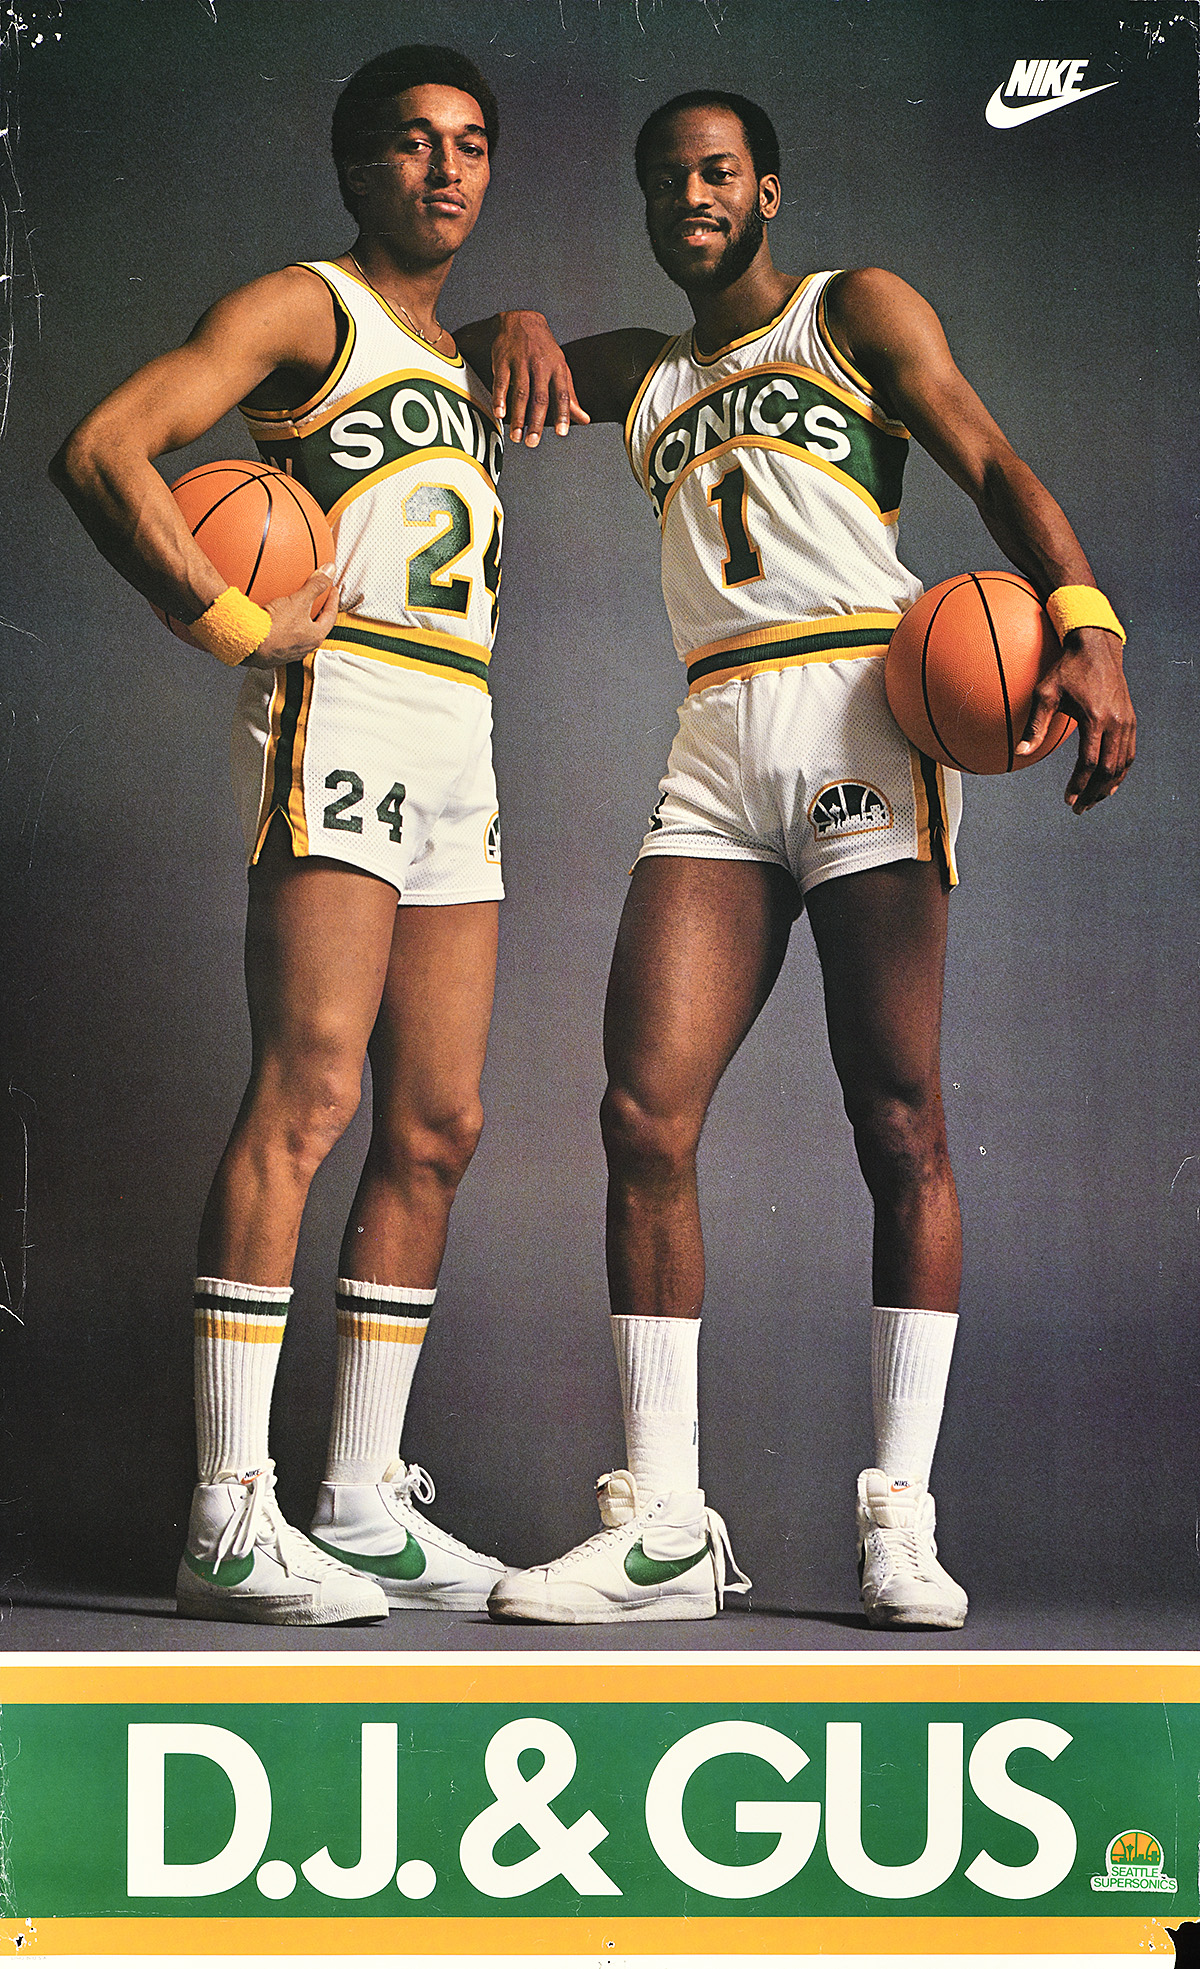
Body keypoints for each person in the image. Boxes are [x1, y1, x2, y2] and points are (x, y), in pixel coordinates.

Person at [485, 89, 1135, 1629]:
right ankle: (665, 1524)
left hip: (867, 706)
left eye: (714, 174)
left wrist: (1090, 624)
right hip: (718, 730)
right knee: (642, 1112)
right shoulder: (647, 372)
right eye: (663, 181)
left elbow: (985, 453)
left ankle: (899, 1515)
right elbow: (471, 371)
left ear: (766, 190)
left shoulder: (853, 310)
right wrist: (511, 310)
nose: (687, 198)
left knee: (896, 1112)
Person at [50, 45, 579, 1625]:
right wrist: (222, 617)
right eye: (414, 145)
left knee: (439, 1122)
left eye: (473, 145)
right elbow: (100, 447)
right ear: (357, 170)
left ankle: (356, 1495)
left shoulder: (468, 346)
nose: (447, 170)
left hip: (460, 732)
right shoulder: (303, 307)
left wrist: (529, 322)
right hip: (340, 709)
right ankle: (228, 1509)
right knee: (309, 1092)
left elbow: (570, 355)